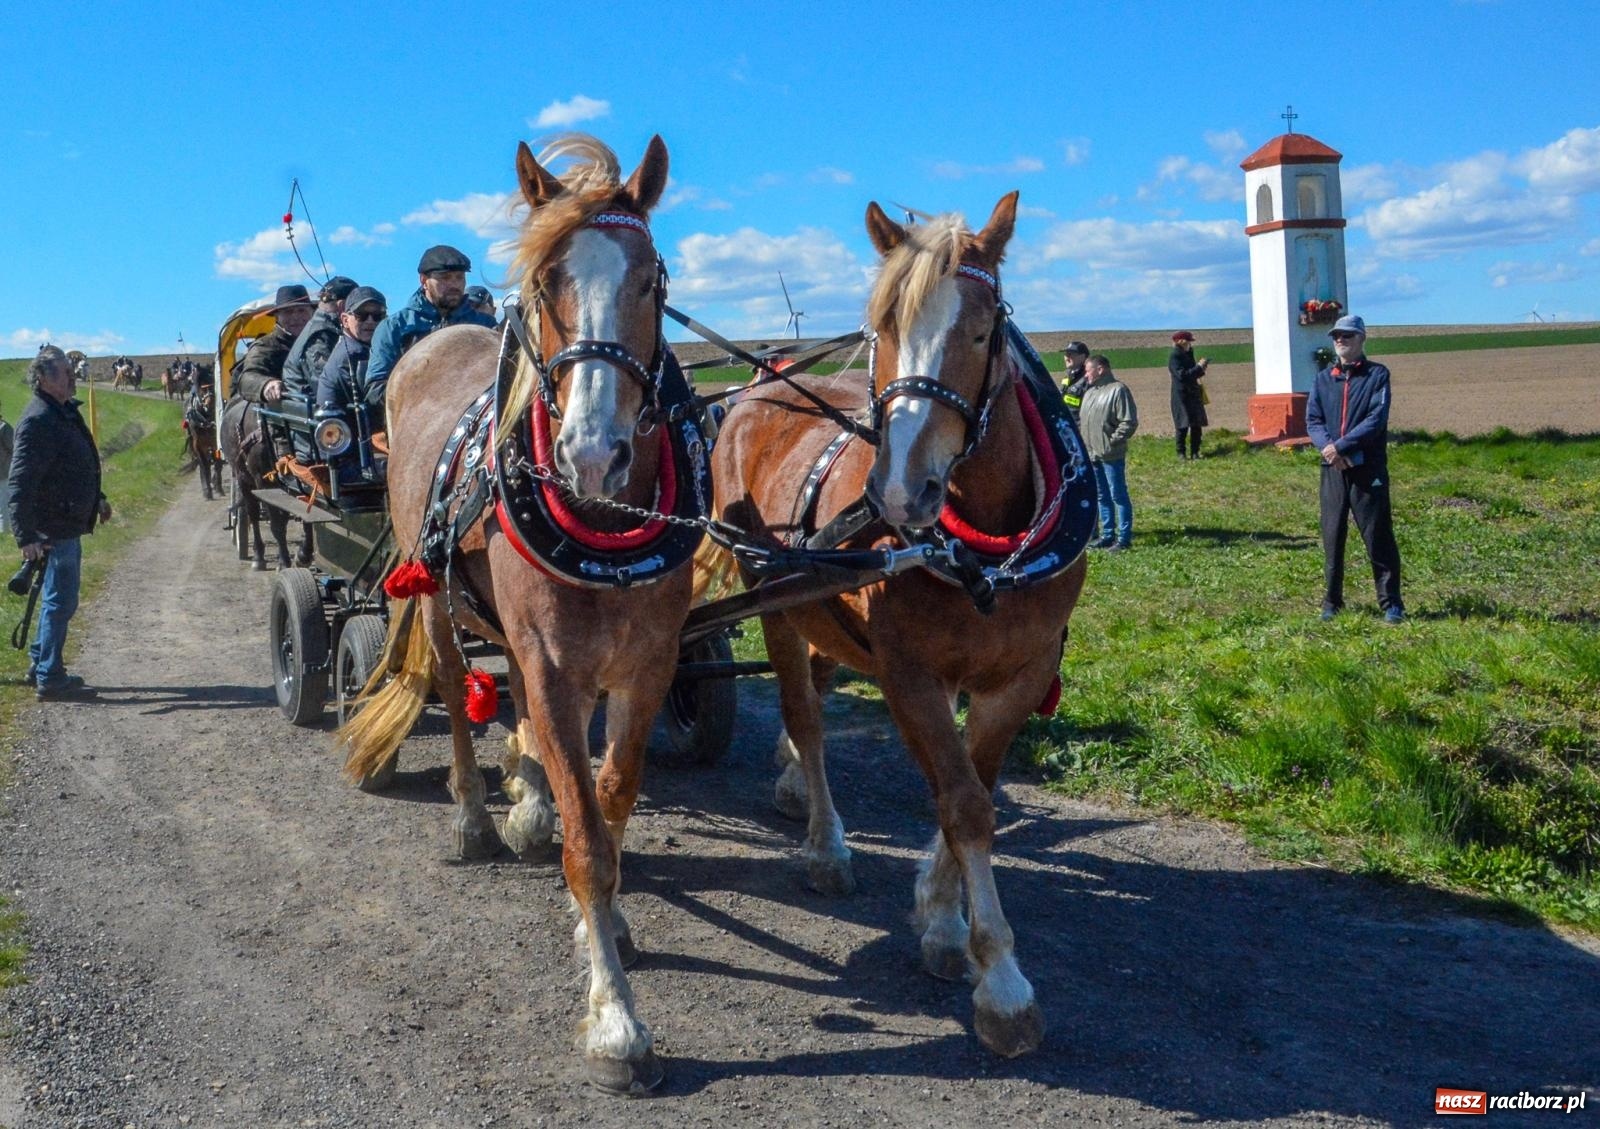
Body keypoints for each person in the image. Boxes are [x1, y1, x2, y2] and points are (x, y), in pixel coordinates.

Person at [8, 346, 112, 701]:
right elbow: (20, 483)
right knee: (61, 601)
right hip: (53, 526)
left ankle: (41, 662)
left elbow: (73, 467)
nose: (72, 377)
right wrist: (25, 535)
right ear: (43, 378)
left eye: (71, 371)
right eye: (64, 372)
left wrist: (97, 498)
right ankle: (51, 677)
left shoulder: (61, 412)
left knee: (57, 599)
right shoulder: (39, 419)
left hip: (65, 520)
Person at [1306, 314, 1404, 624]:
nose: (1340, 340)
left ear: (1361, 339)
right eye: (1336, 336)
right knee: (1333, 536)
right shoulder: (1323, 379)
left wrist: (1343, 446)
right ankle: (1332, 602)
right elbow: (1313, 420)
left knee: (1377, 535)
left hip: (1367, 468)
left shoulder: (1377, 375)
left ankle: (1391, 603)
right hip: (1332, 468)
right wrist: (1329, 450)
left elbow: (1376, 419)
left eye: (1347, 336)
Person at [366, 246, 496, 400]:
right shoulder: (394, 327)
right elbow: (375, 389)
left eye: (459, 277)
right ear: (423, 280)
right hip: (416, 418)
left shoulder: (484, 325)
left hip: (475, 418)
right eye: (445, 278)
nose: (454, 285)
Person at [1078, 353, 1138, 551]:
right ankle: (1107, 535)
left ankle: (1124, 538)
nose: (1085, 375)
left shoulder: (1118, 390)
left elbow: (1128, 421)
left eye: (1088, 371)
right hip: (1092, 454)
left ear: (1100, 369)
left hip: (1110, 455)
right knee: (1102, 496)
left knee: (1118, 495)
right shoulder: (1089, 392)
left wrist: (1112, 442)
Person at [317, 286, 387, 416]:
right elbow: (374, 406)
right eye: (361, 315)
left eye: (378, 315)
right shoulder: (354, 355)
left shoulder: (364, 347)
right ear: (345, 320)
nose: (370, 321)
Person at [284, 276, 357, 399]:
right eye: (358, 310)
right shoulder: (320, 336)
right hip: (312, 408)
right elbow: (324, 383)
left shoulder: (326, 326)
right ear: (342, 305)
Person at [1168, 330, 1209, 460]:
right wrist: (1198, 367)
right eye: (1189, 341)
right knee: (1183, 425)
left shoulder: (1188, 353)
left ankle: (1195, 452)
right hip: (1182, 395)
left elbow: (1193, 373)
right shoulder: (1175, 356)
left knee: (1196, 424)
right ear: (1181, 342)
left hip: (1193, 393)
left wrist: (1201, 368)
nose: (1190, 344)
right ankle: (1181, 453)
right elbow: (1182, 375)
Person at [1059, 340, 1090, 422]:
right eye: (1065, 354)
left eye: (1071, 354)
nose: (1066, 357)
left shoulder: (1089, 378)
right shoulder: (1069, 374)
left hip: (1080, 428)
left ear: (1083, 356)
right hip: (1067, 423)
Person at [0, 406, 12, 533]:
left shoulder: (4, 428)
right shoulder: (4, 428)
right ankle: (4, 531)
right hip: (3, 472)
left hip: (3, 473)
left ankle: (4, 532)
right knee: (3, 506)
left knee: (3, 505)